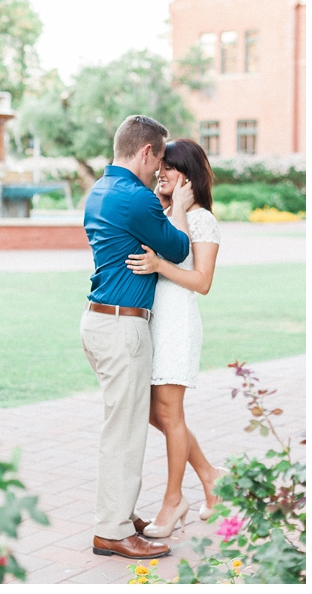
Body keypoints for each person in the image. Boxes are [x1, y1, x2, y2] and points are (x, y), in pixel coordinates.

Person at [80, 115, 194, 560]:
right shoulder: (136, 197)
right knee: (125, 432)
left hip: (98, 320)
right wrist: (180, 208)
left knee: (122, 424)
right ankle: (112, 530)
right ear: (146, 151)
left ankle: (121, 517)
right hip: (123, 326)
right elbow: (180, 249)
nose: (159, 171)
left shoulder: (99, 192)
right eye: (159, 159)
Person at [124, 138, 226, 538]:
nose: (161, 172)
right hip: (153, 320)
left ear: (190, 174)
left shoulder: (202, 219)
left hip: (176, 323)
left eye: (170, 167)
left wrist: (159, 264)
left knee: (170, 413)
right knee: (156, 413)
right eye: (160, 165)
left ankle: (173, 501)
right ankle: (210, 475)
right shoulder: (167, 211)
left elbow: (202, 282)